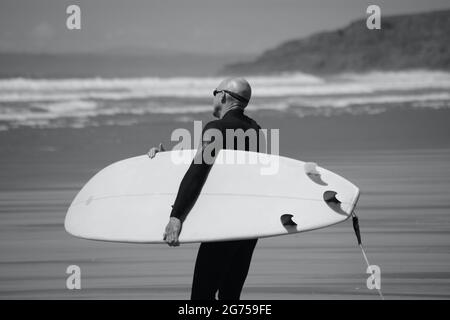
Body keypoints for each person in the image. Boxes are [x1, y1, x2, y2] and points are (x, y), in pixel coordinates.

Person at [148, 78, 263, 300]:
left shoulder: (216, 128)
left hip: (223, 225)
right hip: (250, 225)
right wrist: (169, 160)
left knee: (201, 298)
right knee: (230, 297)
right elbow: (226, 169)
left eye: (214, 92)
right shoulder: (255, 130)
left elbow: (199, 171)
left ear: (223, 96)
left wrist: (176, 216)